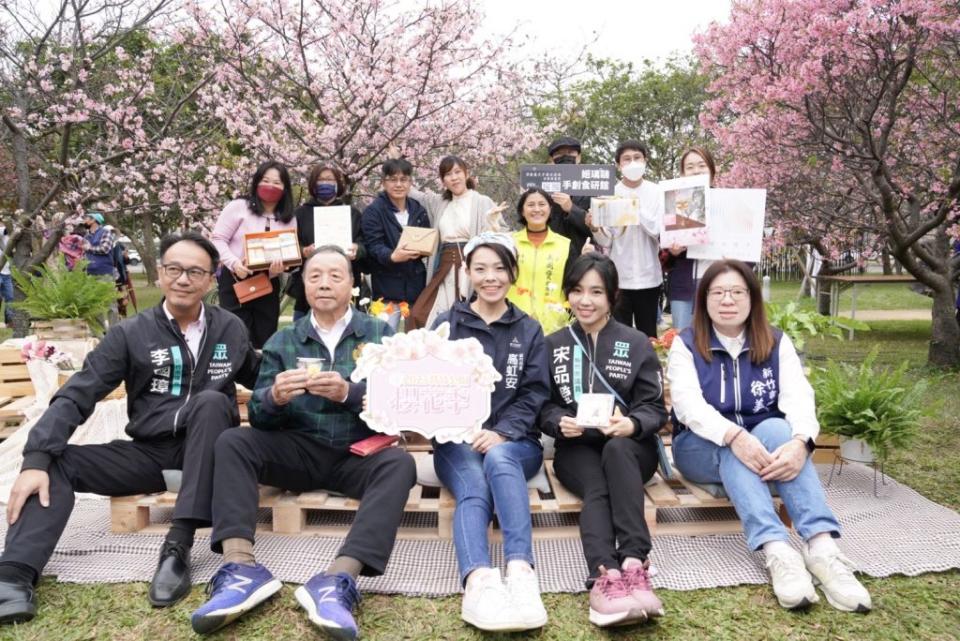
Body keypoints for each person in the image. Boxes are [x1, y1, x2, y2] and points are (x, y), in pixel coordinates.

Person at [0, 232, 261, 624]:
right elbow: (78, 394)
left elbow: (263, 377)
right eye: (174, 269)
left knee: (210, 402)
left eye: (195, 271)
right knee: (55, 463)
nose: (183, 279)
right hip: (153, 453)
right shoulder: (130, 333)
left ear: (211, 279)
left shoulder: (231, 329)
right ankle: (14, 576)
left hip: (213, 451)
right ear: (160, 274)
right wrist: (36, 458)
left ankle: (178, 545)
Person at [191, 246, 416, 639]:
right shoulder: (283, 341)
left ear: (352, 284)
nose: (325, 283)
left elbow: (400, 407)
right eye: (315, 276)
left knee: (400, 465)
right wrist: (274, 397)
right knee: (234, 441)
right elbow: (259, 416)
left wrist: (348, 394)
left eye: (335, 275)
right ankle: (240, 568)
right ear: (303, 286)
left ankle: (337, 580)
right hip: (298, 449)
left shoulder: (381, 335)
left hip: (356, 452)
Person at [667, 260, 872, 613]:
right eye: (717, 293)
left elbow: (799, 397)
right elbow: (688, 407)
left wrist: (801, 443)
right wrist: (733, 435)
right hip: (698, 446)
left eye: (736, 292)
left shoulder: (775, 341)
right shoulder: (687, 344)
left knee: (779, 430)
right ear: (703, 301)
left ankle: (822, 547)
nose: (727, 300)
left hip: (764, 440)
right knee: (734, 445)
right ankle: (776, 549)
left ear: (752, 298)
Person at [539, 253, 666, 627]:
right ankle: (605, 574)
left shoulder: (636, 342)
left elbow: (654, 408)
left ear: (612, 296)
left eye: (596, 291)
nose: (585, 300)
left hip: (630, 449)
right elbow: (540, 405)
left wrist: (631, 423)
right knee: (596, 486)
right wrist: (559, 421)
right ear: (567, 295)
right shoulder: (554, 345)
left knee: (616, 448)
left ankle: (633, 561)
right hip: (576, 449)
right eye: (577, 291)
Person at [431, 233, 551, 632]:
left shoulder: (529, 329)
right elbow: (426, 382)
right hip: (456, 441)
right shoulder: (447, 323)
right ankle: (478, 581)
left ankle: (520, 571)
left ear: (513, 273)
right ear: (467, 273)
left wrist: (501, 432)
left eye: (500, 268)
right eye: (480, 269)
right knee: (473, 483)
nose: (490, 277)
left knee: (499, 458)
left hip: (516, 443)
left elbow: (535, 391)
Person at [407, 155, 506, 330]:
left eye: (458, 172)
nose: (454, 177)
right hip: (444, 267)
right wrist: (399, 161)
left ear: (466, 174)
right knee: (420, 313)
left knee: (466, 318)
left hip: (471, 266)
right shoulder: (439, 202)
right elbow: (411, 191)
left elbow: (502, 235)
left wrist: (492, 223)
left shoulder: (482, 201)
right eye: (448, 174)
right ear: (443, 180)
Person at [211, 160, 297, 349]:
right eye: (265, 180)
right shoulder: (239, 207)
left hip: (268, 283)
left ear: (285, 188)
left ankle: (261, 376)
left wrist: (280, 268)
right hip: (236, 278)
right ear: (256, 181)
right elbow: (217, 239)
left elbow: (290, 253)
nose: (270, 186)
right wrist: (234, 263)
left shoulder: (289, 218)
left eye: (277, 182)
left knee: (265, 336)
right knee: (236, 335)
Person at [591, 140, 663, 338]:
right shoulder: (610, 194)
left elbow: (658, 230)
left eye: (637, 158)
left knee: (648, 336)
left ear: (645, 160)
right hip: (620, 278)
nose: (633, 163)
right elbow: (606, 241)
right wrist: (596, 228)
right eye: (627, 159)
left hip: (649, 277)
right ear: (618, 164)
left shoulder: (657, 192)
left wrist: (635, 208)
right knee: (619, 336)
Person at [288, 164, 367, 321]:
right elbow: (290, 248)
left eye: (330, 180)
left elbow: (365, 245)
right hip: (309, 291)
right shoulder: (300, 214)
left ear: (338, 184)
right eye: (321, 180)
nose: (325, 183)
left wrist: (357, 250)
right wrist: (304, 251)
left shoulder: (352, 213)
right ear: (313, 184)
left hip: (346, 286)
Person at [361, 158, 431, 326]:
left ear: (410, 182)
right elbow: (373, 245)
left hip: (415, 286)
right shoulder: (374, 211)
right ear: (384, 182)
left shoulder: (418, 209)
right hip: (386, 287)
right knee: (383, 338)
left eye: (404, 179)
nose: (398, 184)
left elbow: (425, 237)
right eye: (393, 179)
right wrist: (392, 256)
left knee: (417, 339)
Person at [663, 148, 719, 330]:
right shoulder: (673, 203)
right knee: (684, 341)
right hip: (684, 285)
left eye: (702, 166)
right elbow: (662, 250)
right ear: (682, 173)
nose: (696, 171)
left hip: (721, 284)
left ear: (712, 171)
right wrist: (671, 251)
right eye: (690, 167)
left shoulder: (728, 202)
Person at [508, 188, 570, 333]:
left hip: (553, 324)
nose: (536, 209)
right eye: (530, 205)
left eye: (542, 204)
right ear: (522, 211)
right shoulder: (510, 243)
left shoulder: (565, 245)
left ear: (550, 209)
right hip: (513, 320)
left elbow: (572, 286)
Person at [545, 136, 595, 262]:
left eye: (570, 153)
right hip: (550, 258)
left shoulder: (593, 187)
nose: (565, 156)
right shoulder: (543, 189)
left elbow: (598, 229)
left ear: (579, 157)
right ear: (551, 160)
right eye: (559, 154)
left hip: (583, 258)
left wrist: (571, 209)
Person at [81, 212, 120, 325]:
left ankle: (114, 332)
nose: (84, 221)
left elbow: (105, 248)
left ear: (94, 220)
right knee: (94, 305)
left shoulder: (105, 232)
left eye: (87, 218)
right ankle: (100, 333)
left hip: (105, 274)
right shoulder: (86, 236)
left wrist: (89, 248)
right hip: (90, 274)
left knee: (110, 304)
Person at [0, 227, 12, 326]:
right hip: (0, 271)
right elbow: (4, 230)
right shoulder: (3, 230)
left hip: (7, 271)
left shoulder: (11, 237)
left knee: (10, 297)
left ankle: (9, 321)